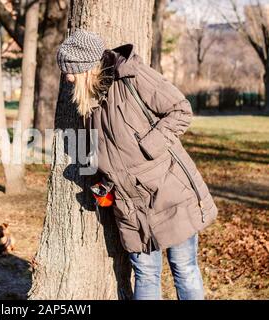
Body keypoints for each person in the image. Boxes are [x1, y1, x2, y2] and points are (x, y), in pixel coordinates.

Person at [56, 28, 218, 300]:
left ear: (85, 67)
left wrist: (149, 147)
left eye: (70, 70)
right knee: (145, 274)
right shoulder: (89, 103)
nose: (67, 77)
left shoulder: (132, 76)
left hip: (168, 193)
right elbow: (104, 157)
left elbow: (180, 110)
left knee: (184, 268)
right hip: (130, 209)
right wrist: (103, 190)